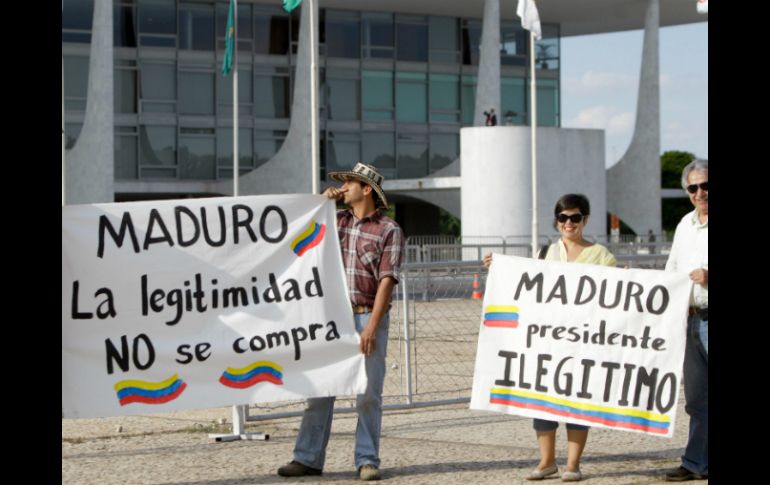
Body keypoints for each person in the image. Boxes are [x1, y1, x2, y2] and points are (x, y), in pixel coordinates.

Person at [277, 162, 405, 482]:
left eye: (350, 182)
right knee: (321, 389)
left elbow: (387, 281)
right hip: (333, 319)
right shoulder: (335, 221)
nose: (344, 186)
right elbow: (304, 238)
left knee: (368, 393)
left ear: (366, 189)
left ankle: (366, 459)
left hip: (366, 315)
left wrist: (373, 325)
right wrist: (322, 202)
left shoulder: (389, 230)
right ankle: (307, 458)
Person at [483, 194, 616, 482]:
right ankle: (546, 462)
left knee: (577, 401)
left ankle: (573, 464)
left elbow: (615, 297)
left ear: (585, 220)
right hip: (548, 341)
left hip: (584, 340)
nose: (569, 223)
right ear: (556, 222)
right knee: (542, 400)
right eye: (564, 218)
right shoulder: (544, 254)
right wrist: (500, 266)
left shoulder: (602, 256)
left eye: (575, 217)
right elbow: (524, 284)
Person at [663, 159, 708, 482]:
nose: (700, 192)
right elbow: (672, 271)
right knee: (696, 398)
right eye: (693, 187)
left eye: (705, 185)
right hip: (691, 321)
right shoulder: (683, 225)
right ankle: (696, 462)